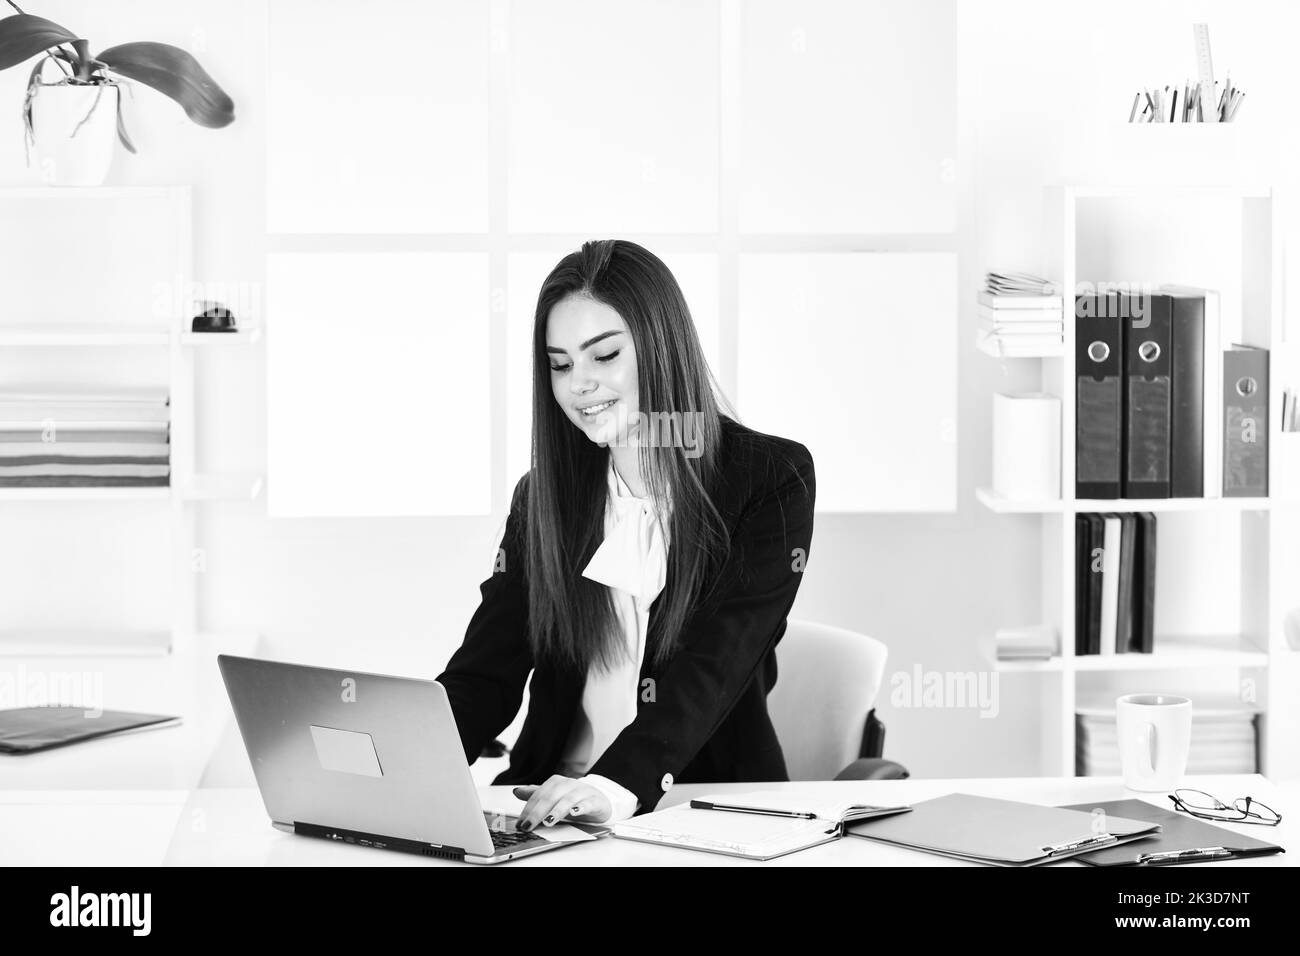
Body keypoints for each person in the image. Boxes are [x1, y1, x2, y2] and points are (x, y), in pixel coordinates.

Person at [436, 239, 815, 831]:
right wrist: (410, 763)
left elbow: (713, 666)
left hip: (701, 809)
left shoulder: (768, 479)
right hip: (552, 808)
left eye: (603, 355)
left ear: (661, 347)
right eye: (560, 365)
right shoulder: (543, 495)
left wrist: (611, 788)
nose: (578, 385)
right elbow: (487, 668)